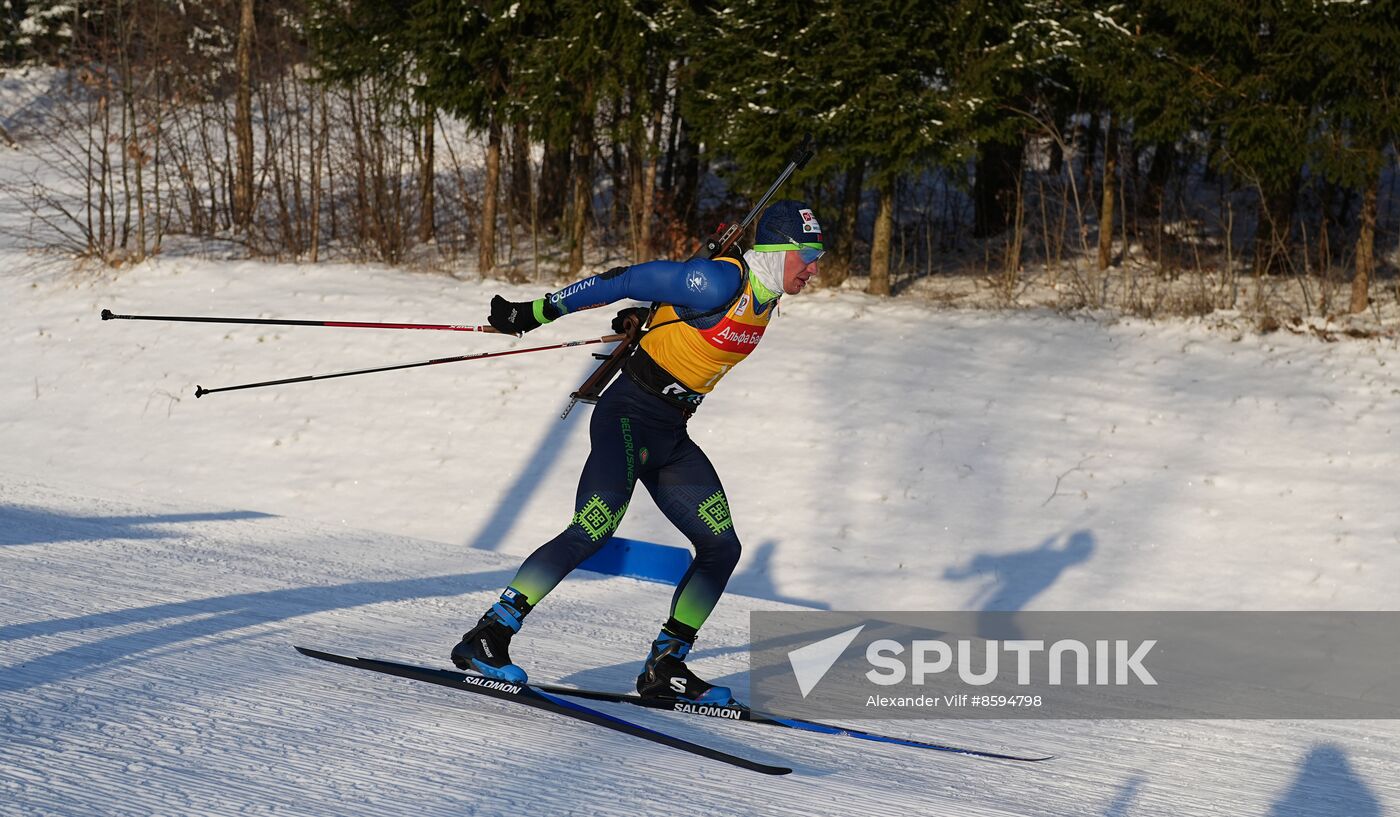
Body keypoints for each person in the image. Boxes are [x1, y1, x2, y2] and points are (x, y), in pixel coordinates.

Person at [452, 199, 825, 705]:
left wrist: (657, 316)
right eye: (808, 255)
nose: (814, 268)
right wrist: (533, 312)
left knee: (721, 547)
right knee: (594, 527)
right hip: (627, 417)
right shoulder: (721, 282)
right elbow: (623, 278)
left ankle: (665, 665)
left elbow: (679, 320)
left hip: (671, 435)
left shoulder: (765, 293)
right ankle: (489, 634)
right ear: (779, 252)